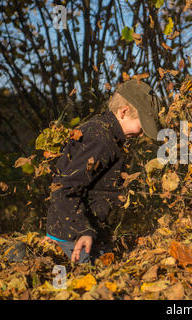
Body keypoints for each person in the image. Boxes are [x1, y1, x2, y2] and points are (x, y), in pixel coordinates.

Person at [44, 79, 161, 264]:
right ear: (124, 111)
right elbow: (65, 187)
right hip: (76, 238)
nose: (141, 134)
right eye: (142, 126)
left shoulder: (106, 132)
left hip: (84, 231)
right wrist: (83, 231)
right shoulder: (100, 140)